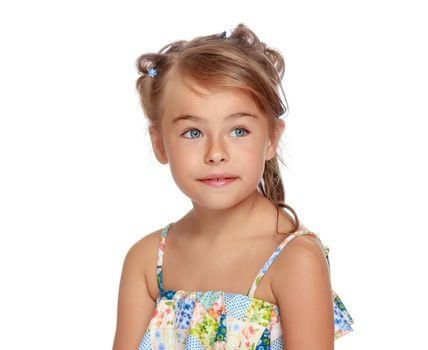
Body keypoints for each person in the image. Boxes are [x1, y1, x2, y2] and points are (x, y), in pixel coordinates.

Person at [113, 23, 354, 350]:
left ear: (271, 138)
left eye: (238, 131)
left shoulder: (294, 261)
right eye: (193, 133)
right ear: (159, 144)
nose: (215, 153)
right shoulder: (148, 261)